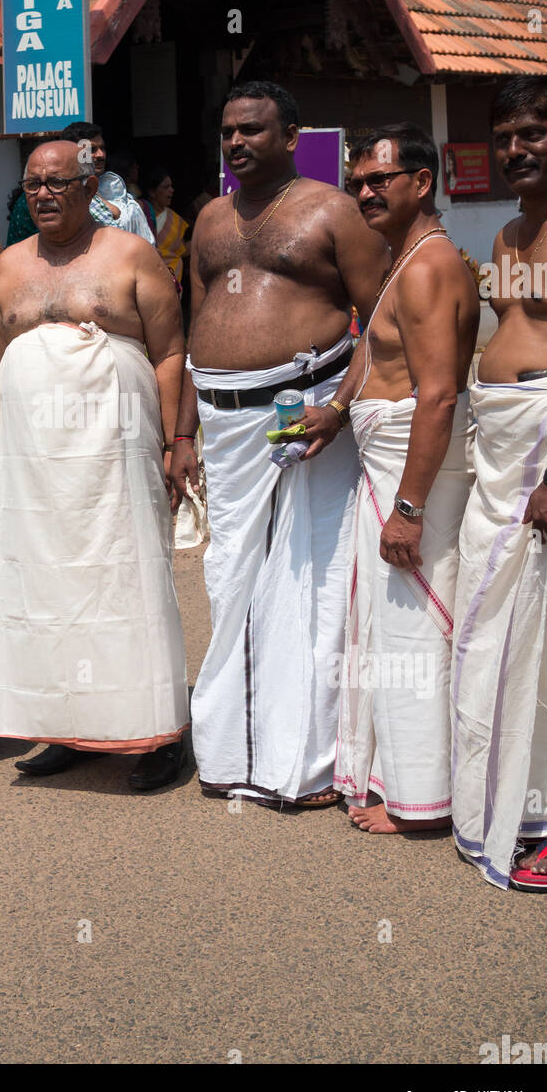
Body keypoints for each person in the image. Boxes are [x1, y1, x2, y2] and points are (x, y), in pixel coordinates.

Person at [171, 80, 389, 807]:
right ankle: (231, 751)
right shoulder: (207, 218)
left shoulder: (334, 212)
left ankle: (306, 762)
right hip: (222, 422)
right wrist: (181, 433)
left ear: (291, 136)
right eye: (229, 130)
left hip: (304, 418)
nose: (237, 142)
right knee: (231, 580)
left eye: (253, 130)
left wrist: (340, 407)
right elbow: (194, 327)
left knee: (309, 585)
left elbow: (382, 319)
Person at [0, 137, 189, 790]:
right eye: (33, 183)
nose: (43, 194)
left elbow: (171, 350)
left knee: (127, 583)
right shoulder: (8, 266)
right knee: (45, 587)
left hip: (116, 456)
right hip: (34, 463)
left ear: (92, 188)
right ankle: (65, 728)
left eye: (58, 183)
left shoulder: (130, 256)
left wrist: (176, 443)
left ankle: (157, 734)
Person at [319, 124, 479, 833]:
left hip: (413, 473)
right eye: (357, 181)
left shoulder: (427, 265)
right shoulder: (401, 258)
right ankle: (395, 777)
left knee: (414, 629)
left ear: (422, 180)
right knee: (386, 629)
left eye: (379, 179)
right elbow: (371, 353)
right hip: (387, 463)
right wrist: (333, 411)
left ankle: (423, 799)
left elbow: (439, 393)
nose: (364, 191)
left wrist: (409, 508)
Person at [452, 75, 547, 891]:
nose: (514, 151)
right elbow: (508, 332)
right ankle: (515, 797)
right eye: (503, 138)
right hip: (500, 450)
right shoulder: (505, 237)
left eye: (531, 134)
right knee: (495, 627)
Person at [62, 123, 156, 244]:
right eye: (92, 150)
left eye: (103, 148)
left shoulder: (116, 190)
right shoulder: (64, 196)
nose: (101, 155)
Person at [142, 165, 189, 285]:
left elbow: (181, 251)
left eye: (171, 186)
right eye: (166, 187)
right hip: (146, 278)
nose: (171, 190)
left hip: (172, 279)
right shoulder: (139, 215)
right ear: (152, 192)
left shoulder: (175, 220)